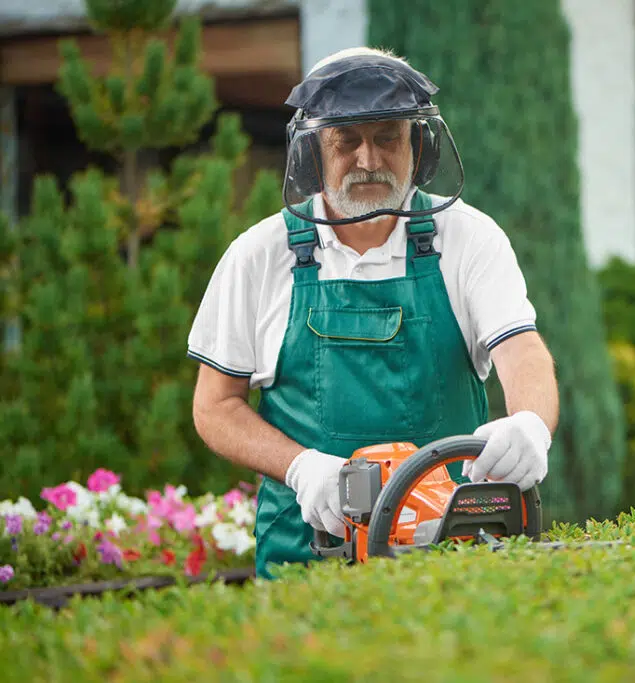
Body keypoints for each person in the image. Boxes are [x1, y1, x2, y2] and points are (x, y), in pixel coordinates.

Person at [187, 47, 559, 579]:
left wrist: (529, 425)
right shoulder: (259, 254)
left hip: (451, 549)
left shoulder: (468, 237)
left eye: (388, 137)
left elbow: (521, 349)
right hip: (307, 551)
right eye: (347, 140)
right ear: (314, 149)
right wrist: (300, 467)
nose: (368, 160)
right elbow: (214, 407)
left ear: (419, 145)